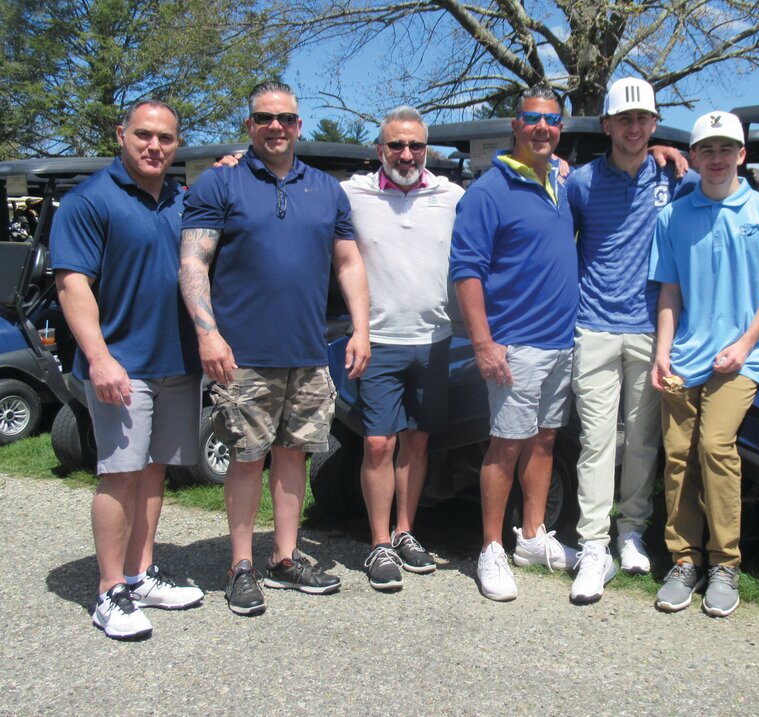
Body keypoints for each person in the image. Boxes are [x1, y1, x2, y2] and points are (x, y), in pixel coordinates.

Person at [179, 80, 370, 616]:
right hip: (242, 355)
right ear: (250, 125)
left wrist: (361, 329)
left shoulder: (326, 190)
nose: (276, 127)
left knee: (295, 456)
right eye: (264, 118)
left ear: (299, 125)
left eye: (285, 118)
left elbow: (349, 263)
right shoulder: (221, 184)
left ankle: (284, 559)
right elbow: (194, 261)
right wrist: (207, 332)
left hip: (309, 352)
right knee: (246, 458)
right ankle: (240, 564)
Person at [51, 100, 204, 640]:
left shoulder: (183, 201)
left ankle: (140, 575)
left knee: (155, 468)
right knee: (118, 475)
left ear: (177, 143)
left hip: (176, 361)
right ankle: (108, 591)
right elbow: (73, 286)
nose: (154, 146)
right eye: (143, 134)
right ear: (121, 134)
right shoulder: (88, 201)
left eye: (165, 137)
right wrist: (99, 358)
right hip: (121, 365)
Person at [648, 111, 759, 617]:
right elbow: (669, 291)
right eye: (706, 151)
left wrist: (744, 345)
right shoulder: (673, 216)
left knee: (715, 447)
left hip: (741, 358)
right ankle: (683, 560)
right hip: (685, 356)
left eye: (726, 150)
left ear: (742, 155)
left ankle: (724, 562)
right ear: (694, 158)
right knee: (677, 455)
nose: (716, 159)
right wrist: (661, 351)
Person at [565, 78, 698, 604]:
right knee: (597, 445)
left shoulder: (675, 175)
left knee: (643, 441)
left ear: (653, 124)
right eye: (626, 119)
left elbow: (732, 199)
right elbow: (563, 233)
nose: (636, 127)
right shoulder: (580, 182)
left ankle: (632, 532)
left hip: (651, 329)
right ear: (607, 126)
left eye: (644, 119)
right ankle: (594, 545)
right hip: (594, 325)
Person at [450, 84, 580, 602]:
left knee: (545, 440)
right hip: (515, 346)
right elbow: (466, 272)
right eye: (532, 119)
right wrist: (483, 342)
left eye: (551, 120)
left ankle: (530, 537)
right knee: (505, 446)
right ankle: (490, 548)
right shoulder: (488, 192)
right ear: (515, 125)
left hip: (559, 342)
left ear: (560, 127)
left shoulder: (560, 182)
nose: (542, 128)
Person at [341, 107, 464, 591]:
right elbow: (293, 183)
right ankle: (378, 543)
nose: (406, 154)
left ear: (427, 150)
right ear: (380, 150)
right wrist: (231, 162)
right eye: (396, 145)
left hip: (435, 342)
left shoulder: (452, 196)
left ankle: (406, 531)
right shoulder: (352, 193)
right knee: (377, 442)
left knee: (417, 441)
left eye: (415, 146)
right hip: (377, 341)